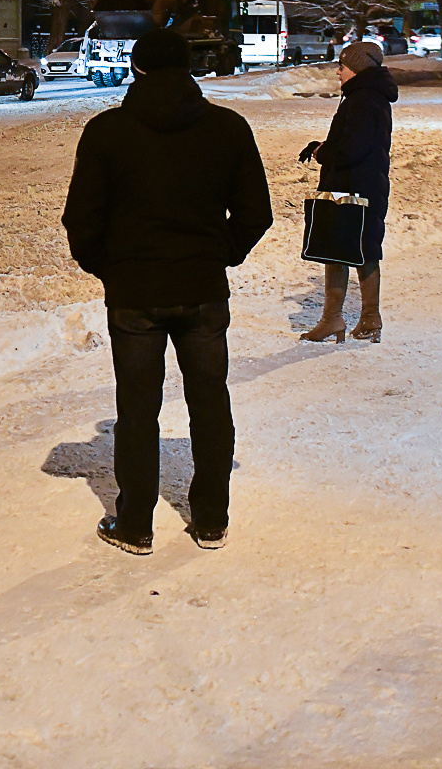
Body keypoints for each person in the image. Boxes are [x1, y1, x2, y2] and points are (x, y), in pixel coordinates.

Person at [62, 29, 274, 555]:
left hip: (134, 292)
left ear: (135, 70)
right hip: (202, 288)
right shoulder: (227, 128)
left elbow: (81, 220)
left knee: (137, 409)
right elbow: (256, 213)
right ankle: (211, 520)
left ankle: (135, 523)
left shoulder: (106, 132)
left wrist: (111, 267)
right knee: (209, 401)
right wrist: (218, 252)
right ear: (190, 68)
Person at [298, 41, 397, 342]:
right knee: (341, 250)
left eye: (341, 66)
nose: (338, 72)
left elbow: (354, 148)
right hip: (359, 184)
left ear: (355, 68)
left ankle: (364, 319)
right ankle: (337, 319)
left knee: (360, 250)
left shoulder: (363, 99)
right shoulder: (364, 96)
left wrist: (323, 153)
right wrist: (322, 147)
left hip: (358, 186)